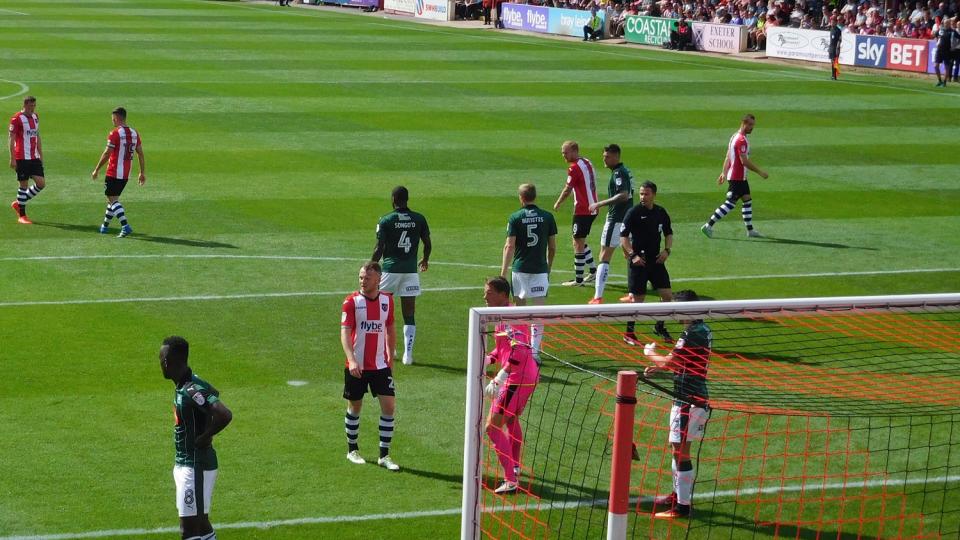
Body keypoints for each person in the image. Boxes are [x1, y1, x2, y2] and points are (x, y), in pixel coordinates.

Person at [641, 290, 712, 519]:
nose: (674, 312)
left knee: (681, 451)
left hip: (689, 401)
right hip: (688, 397)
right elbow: (683, 363)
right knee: (677, 449)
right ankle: (676, 496)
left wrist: (650, 353)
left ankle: (682, 507)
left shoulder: (692, 333)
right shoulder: (701, 329)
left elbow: (670, 362)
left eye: (677, 308)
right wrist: (659, 368)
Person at [159, 336, 233, 540]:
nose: (161, 363)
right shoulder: (189, 383)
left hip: (194, 465)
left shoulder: (190, 390)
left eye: (163, 359)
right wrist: (204, 425)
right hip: (191, 464)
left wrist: (205, 436)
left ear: (170, 362)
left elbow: (224, 414)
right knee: (200, 524)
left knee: (189, 530)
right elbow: (213, 392)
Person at [482, 276, 540, 495]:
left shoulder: (512, 317)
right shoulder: (502, 315)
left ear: (502, 295)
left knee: (492, 427)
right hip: (525, 376)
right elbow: (503, 349)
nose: (484, 296)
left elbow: (521, 350)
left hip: (518, 378)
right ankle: (514, 466)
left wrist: (500, 376)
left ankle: (510, 479)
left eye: (489, 293)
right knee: (511, 419)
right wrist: (489, 359)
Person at [341, 261, 400, 471]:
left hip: (380, 365)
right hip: (357, 366)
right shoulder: (351, 302)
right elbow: (345, 332)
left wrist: (390, 355)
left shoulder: (387, 300)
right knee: (355, 406)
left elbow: (390, 328)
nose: (362, 281)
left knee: (389, 407)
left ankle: (384, 455)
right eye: (360, 277)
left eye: (367, 278)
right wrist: (351, 359)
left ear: (378, 279)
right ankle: (352, 450)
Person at [372, 186, 431, 365]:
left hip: (390, 271)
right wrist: (425, 259)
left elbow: (379, 247)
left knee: (383, 311)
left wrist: (372, 266)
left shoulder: (386, 220)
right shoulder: (419, 218)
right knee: (409, 314)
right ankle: (408, 355)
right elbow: (428, 243)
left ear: (393, 199)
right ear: (407, 199)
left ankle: (389, 349)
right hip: (410, 272)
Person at [500, 183, 557, 352]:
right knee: (538, 312)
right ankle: (535, 352)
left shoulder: (515, 217)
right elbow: (552, 247)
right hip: (540, 270)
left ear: (521, 198)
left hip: (520, 270)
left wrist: (503, 273)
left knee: (520, 311)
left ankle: (521, 348)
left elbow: (509, 246)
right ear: (535, 196)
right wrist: (548, 268)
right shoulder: (547, 217)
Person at [619, 181, 673, 345]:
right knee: (638, 299)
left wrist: (667, 250)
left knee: (667, 295)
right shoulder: (633, 212)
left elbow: (668, 233)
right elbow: (623, 237)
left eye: (646, 194)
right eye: (641, 194)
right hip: (639, 263)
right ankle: (629, 333)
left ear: (654, 195)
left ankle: (659, 326)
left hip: (656, 261)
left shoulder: (661, 212)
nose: (643, 197)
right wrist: (632, 255)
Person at [700, 114, 768, 239]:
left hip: (739, 177)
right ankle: (708, 225)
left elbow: (728, 156)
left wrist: (723, 173)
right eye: (750, 125)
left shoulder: (734, 136)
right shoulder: (741, 140)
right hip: (737, 177)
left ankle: (750, 230)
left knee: (747, 200)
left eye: (753, 125)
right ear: (744, 123)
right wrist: (760, 172)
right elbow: (744, 161)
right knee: (730, 204)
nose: (752, 127)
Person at [587, 144, 633, 304]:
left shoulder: (619, 172)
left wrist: (599, 204)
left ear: (616, 157)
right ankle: (633, 293)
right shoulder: (624, 170)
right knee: (629, 254)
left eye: (607, 157)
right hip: (627, 219)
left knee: (604, 256)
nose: (604, 159)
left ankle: (597, 297)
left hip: (617, 219)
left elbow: (623, 195)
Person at [91, 107, 146, 238]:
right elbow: (140, 153)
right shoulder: (134, 133)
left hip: (114, 172)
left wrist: (97, 169)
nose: (112, 121)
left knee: (112, 199)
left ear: (116, 118)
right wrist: (142, 172)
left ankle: (125, 226)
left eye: (113, 119)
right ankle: (104, 227)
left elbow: (107, 153)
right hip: (125, 174)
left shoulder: (115, 133)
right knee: (112, 200)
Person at [553, 141, 598, 287]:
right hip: (593, 207)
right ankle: (593, 271)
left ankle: (579, 280)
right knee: (579, 240)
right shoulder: (587, 162)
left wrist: (558, 202)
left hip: (583, 210)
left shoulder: (574, 168)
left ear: (574, 151)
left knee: (577, 243)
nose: (563, 155)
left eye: (565, 152)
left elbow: (568, 189)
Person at [8, 96, 45, 225]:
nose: (32, 108)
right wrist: (12, 158)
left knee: (41, 183)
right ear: (24, 105)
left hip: (34, 157)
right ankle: (22, 215)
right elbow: (11, 139)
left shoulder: (35, 117)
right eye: (30, 106)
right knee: (23, 185)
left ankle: (19, 203)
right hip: (21, 157)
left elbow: (37, 135)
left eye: (34, 106)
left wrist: (41, 154)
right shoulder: (16, 119)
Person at [934, 18, 956, 86]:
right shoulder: (941, 30)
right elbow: (936, 35)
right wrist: (937, 42)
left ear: (950, 23)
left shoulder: (952, 31)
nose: (946, 24)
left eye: (947, 23)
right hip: (939, 50)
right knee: (936, 66)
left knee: (947, 66)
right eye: (945, 23)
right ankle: (939, 80)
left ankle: (944, 82)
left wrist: (954, 46)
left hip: (947, 51)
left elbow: (958, 38)